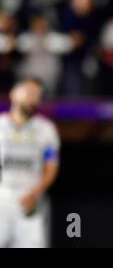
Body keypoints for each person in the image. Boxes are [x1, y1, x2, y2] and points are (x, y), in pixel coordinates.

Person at [0, 77, 60, 247]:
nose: (34, 99)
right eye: (29, 93)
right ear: (13, 94)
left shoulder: (46, 129)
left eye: (37, 95)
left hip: (31, 201)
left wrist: (36, 192)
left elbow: (51, 168)